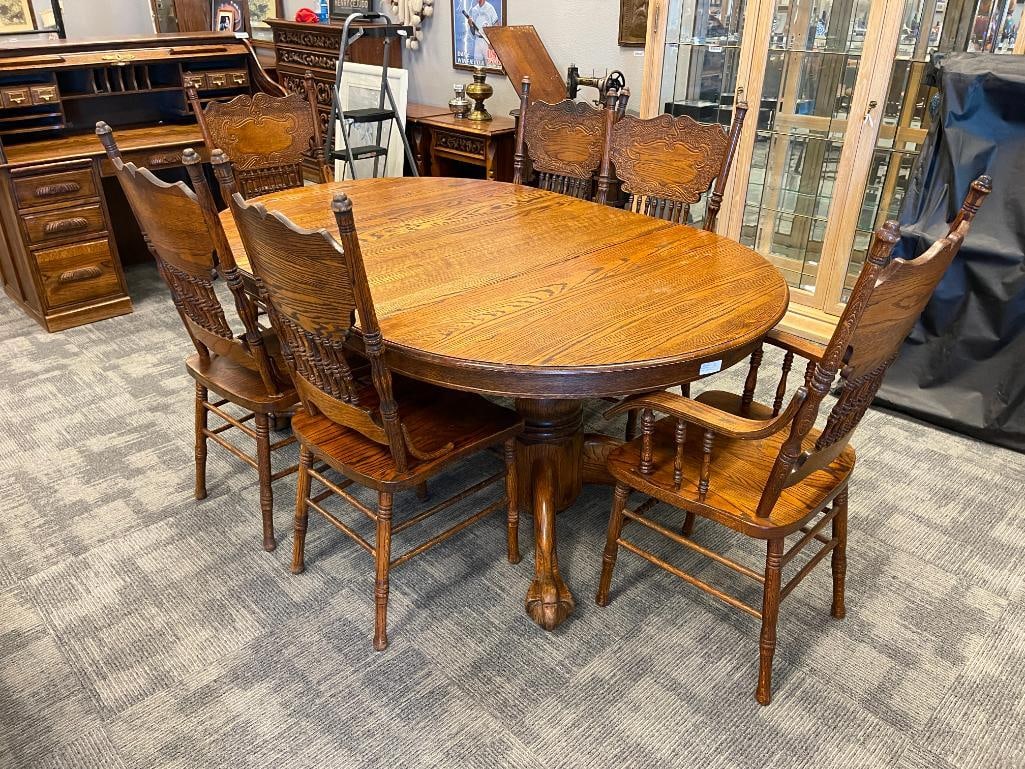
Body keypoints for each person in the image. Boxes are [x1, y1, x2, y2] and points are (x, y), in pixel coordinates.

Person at [466, 0, 499, 65]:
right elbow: (473, 32)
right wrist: (470, 25)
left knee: (491, 66)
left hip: (487, 40)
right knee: (477, 66)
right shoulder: (474, 10)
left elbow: (496, 26)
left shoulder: (490, 8)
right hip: (478, 40)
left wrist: (493, 42)